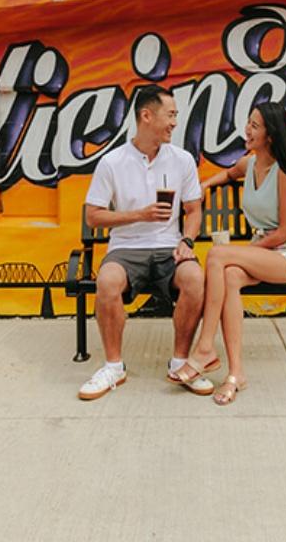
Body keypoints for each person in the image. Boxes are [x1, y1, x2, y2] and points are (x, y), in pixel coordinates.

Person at [78, 85, 211, 400]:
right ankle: (113, 367)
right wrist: (138, 215)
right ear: (146, 116)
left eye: (176, 115)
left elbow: (194, 210)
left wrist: (188, 240)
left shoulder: (182, 160)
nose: (175, 123)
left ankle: (180, 362)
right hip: (126, 249)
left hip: (169, 247)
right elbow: (93, 217)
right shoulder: (112, 162)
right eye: (171, 115)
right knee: (108, 282)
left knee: (194, 278)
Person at [172, 101, 286, 405]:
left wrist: (245, 251)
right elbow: (229, 174)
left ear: (270, 135)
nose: (247, 129)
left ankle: (205, 348)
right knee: (230, 276)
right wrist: (205, 185)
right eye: (248, 122)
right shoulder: (250, 164)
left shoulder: (285, 171)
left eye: (255, 125)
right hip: (264, 250)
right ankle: (236, 373)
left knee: (219, 256)